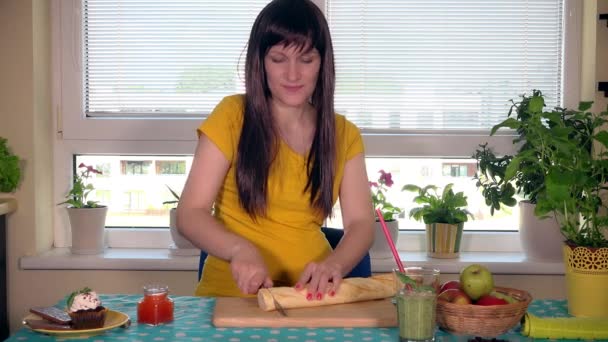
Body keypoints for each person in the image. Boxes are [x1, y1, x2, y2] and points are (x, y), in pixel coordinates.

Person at [176, 0, 374, 300]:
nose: (292, 75)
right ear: (260, 62)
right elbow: (190, 213)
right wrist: (239, 249)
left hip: (308, 300)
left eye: (306, 59)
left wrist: (334, 263)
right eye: (279, 59)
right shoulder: (231, 116)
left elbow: (361, 223)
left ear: (323, 63)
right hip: (230, 300)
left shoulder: (344, 133)